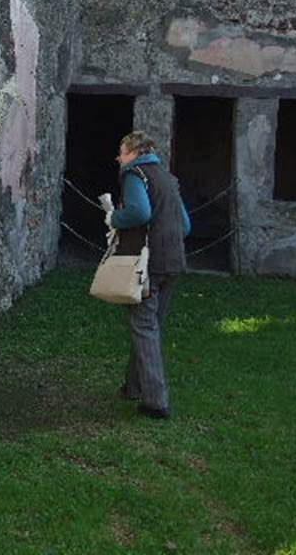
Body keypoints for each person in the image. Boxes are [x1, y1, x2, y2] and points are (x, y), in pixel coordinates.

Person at [104, 130, 189, 419]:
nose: (119, 157)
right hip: (173, 260)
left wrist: (114, 217)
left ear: (136, 152)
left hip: (147, 263)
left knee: (143, 326)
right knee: (149, 325)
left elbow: (139, 212)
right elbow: (185, 225)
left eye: (122, 150)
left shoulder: (134, 175)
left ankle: (156, 402)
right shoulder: (169, 179)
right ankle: (134, 387)